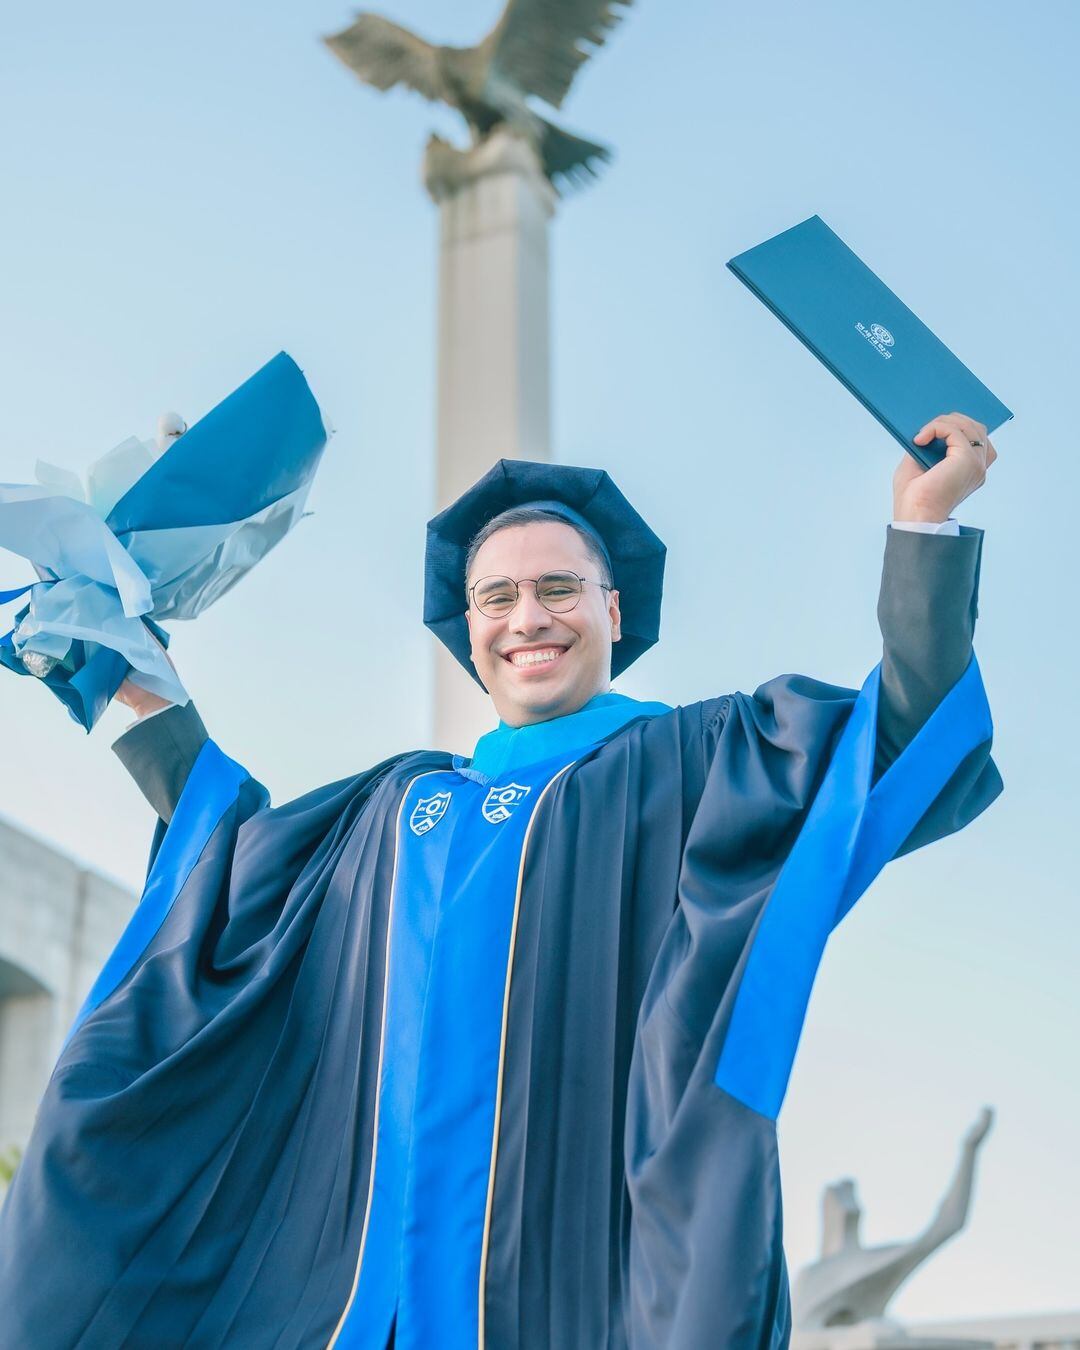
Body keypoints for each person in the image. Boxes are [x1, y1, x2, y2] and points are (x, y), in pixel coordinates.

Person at [0, 415, 1002, 1349]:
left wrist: (927, 526)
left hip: (587, 1286)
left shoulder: (701, 761)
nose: (529, 617)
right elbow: (226, 862)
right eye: (497, 596)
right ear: (470, 628)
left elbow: (898, 747)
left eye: (560, 588)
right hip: (361, 1301)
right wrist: (115, 628)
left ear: (612, 609)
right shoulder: (391, 808)